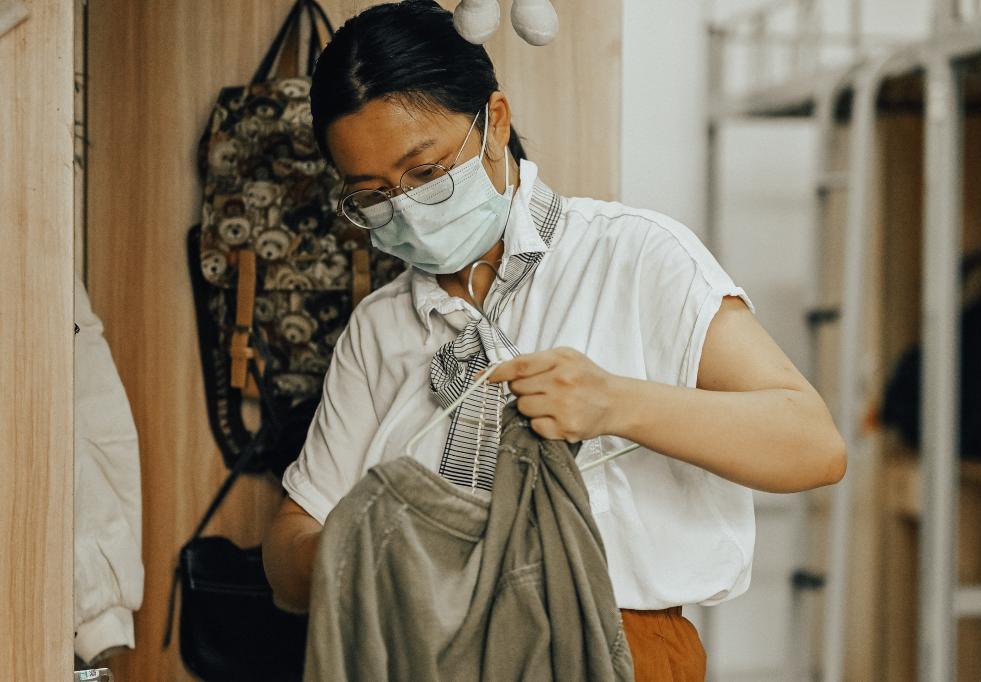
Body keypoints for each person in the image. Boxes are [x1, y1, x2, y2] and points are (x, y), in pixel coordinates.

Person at [264, 1, 847, 679]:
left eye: (425, 173)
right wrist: (372, 548)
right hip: (422, 655)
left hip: (618, 651)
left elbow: (813, 445)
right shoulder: (379, 328)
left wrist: (615, 403)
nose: (406, 210)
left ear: (495, 121)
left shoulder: (633, 257)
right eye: (371, 195)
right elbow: (287, 550)